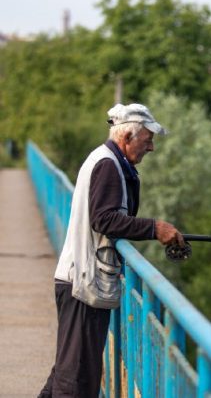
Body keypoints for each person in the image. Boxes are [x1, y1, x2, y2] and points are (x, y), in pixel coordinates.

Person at [39, 103, 184, 398]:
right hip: (82, 283)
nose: (152, 147)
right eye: (148, 140)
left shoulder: (110, 161)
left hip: (80, 279)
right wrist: (155, 228)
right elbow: (104, 219)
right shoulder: (108, 164)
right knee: (75, 380)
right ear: (127, 138)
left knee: (69, 372)